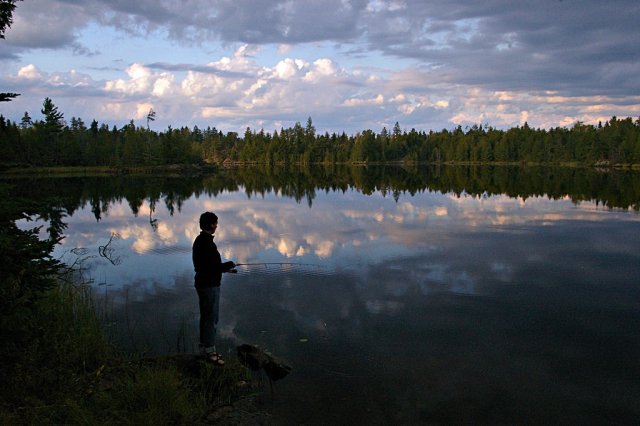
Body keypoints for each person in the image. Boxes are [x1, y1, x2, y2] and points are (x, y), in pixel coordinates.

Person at [192, 212, 235, 365]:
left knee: (206, 317)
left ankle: (204, 348)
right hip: (209, 286)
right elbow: (212, 267)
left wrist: (225, 269)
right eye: (215, 223)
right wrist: (228, 265)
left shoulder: (201, 240)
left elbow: (208, 267)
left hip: (204, 283)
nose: (217, 225)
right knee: (211, 318)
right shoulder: (207, 243)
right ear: (210, 224)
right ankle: (210, 352)